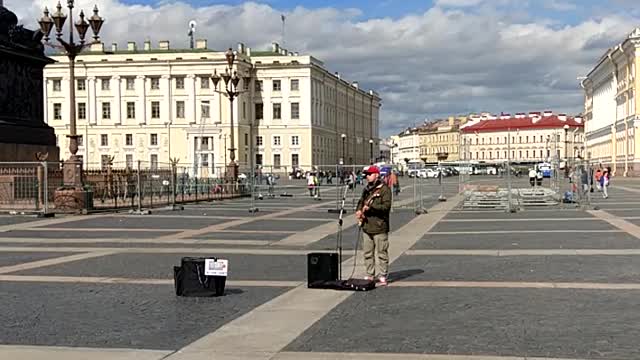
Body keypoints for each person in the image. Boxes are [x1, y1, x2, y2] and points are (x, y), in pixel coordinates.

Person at [356, 165, 392, 286]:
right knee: (367, 252)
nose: (367, 177)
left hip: (379, 226)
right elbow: (361, 201)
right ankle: (370, 274)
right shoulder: (367, 189)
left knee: (381, 253)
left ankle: (382, 275)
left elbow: (386, 207)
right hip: (367, 226)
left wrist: (371, 207)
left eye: (369, 174)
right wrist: (359, 210)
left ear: (376, 175)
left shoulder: (384, 189)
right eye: (366, 175)